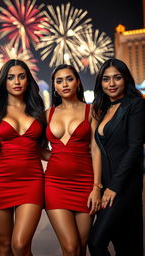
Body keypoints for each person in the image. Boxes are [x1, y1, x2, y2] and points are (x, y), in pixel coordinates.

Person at [0, 59, 47, 256]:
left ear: (28, 80)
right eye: (11, 77)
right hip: (1, 182)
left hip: (32, 182)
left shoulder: (38, 112)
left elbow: (41, 150)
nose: (16, 81)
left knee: (20, 244)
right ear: (4, 82)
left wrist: (68, 158)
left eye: (21, 76)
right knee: (4, 247)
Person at [88, 58, 145, 256]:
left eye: (117, 78)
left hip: (124, 184)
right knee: (122, 242)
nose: (111, 84)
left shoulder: (135, 105)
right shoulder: (102, 110)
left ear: (125, 79)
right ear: (100, 83)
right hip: (107, 183)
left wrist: (114, 187)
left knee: (96, 242)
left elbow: (135, 147)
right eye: (106, 79)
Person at [45, 64, 102, 256]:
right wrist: (57, 156)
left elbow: (96, 150)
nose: (64, 84)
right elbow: (34, 147)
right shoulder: (48, 114)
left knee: (81, 247)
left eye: (69, 79)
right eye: (59, 81)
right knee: (70, 247)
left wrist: (96, 187)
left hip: (85, 185)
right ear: (54, 87)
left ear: (77, 82)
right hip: (54, 185)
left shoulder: (91, 110)